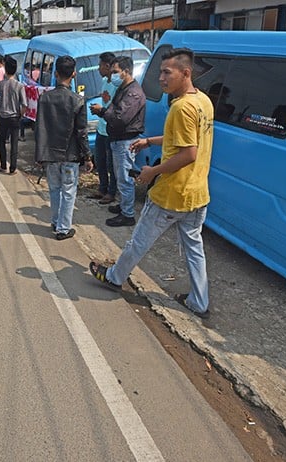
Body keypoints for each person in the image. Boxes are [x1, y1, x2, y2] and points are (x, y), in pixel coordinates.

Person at [89, 48, 214, 319]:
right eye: (160, 72)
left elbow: (188, 153)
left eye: (167, 73)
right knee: (194, 248)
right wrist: (149, 141)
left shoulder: (182, 107)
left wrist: (151, 171)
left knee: (139, 240)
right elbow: (183, 140)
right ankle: (199, 301)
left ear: (186, 73)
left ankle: (114, 277)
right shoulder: (203, 101)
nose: (161, 79)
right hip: (198, 193)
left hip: (173, 193)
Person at [34, 55, 93, 241]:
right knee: (69, 191)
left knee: (54, 189)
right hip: (71, 154)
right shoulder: (78, 100)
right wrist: (88, 156)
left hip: (51, 154)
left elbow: (39, 128)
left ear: (56, 73)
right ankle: (63, 228)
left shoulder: (44, 98)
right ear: (74, 74)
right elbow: (82, 132)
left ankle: (56, 221)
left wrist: (39, 155)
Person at [96, 56, 146, 227]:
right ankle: (124, 206)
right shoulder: (123, 88)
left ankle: (128, 214)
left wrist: (102, 112)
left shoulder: (133, 93)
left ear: (126, 72)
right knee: (120, 176)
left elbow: (120, 118)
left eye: (116, 72)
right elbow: (113, 106)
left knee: (125, 179)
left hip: (126, 141)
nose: (113, 75)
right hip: (117, 139)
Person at [87, 52, 119, 205]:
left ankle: (112, 192)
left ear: (107, 66)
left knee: (112, 164)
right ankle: (102, 188)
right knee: (100, 160)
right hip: (101, 127)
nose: (98, 69)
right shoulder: (104, 81)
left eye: (100, 65)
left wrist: (102, 110)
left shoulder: (117, 84)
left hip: (111, 129)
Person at [0, 55, 27, 175]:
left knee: (2, 142)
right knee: (14, 143)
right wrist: (20, 115)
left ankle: (3, 165)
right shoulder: (19, 86)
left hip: (3, 117)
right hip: (15, 117)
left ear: (5, 69)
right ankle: (13, 168)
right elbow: (24, 105)